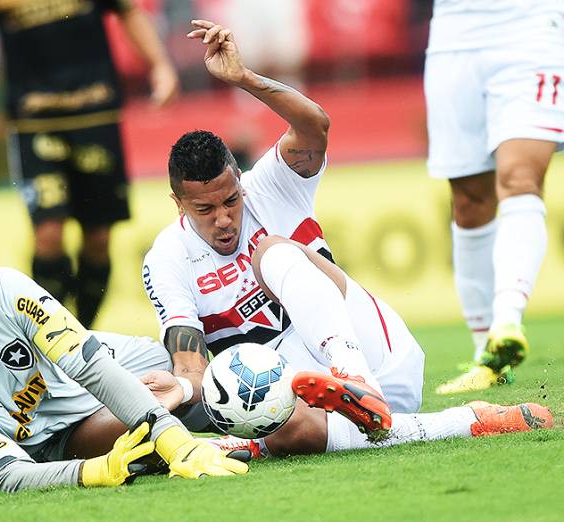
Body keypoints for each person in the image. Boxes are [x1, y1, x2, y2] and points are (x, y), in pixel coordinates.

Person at [139, 20, 552, 457]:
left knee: (271, 253)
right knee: (267, 421)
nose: (224, 219)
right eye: (205, 210)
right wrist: (182, 389)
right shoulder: (167, 257)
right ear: (178, 203)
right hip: (304, 399)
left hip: (373, 351)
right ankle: (467, 422)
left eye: (230, 201)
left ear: (240, 180)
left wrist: (245, 79)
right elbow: (191, 365)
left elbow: (315, 127)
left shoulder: (270, 186)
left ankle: (356, 381)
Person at [0, 267, 247, 493]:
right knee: (128, 429)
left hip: (99, 366)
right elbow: (7, 475)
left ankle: (210, 422)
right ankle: (230, 435)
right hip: (64, 436)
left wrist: (171, 432)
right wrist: (96, 471)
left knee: (178, 369)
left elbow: (89, 365)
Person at [0, 0, 178, 328]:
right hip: (34, 121)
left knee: (98, 238)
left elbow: (128, 10)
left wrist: (160, 65)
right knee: (48, 234)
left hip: (96, 113)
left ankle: (84, 334)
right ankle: (50, 334)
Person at [424, 0, 564, 394]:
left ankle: (507, 320)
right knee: (469, 202)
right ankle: (488, 356)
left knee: (519, 177)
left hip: (530, 25)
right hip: (453, 34)